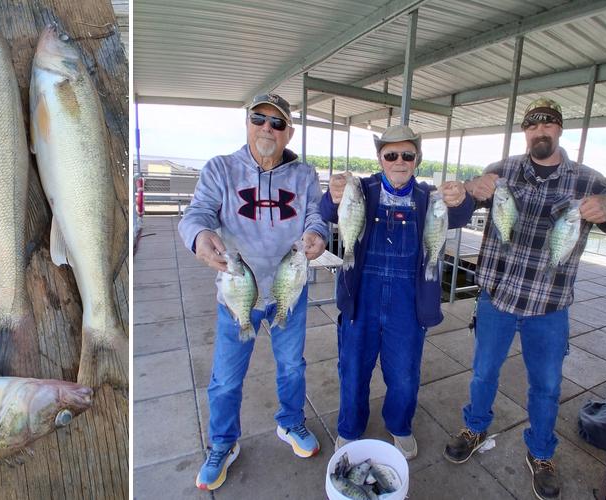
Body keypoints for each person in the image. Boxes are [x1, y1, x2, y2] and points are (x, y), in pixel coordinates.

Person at [439, 98, 606, 500]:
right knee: (483, 372)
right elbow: (459, 211)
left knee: (548, 386)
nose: (540, 132)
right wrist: (465, 189)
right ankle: (475, 426)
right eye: (532, 126)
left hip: (549, 307)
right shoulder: (501, 172)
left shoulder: (588, 181)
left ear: (559, 130)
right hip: (496, 298)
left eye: (548, 125)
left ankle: (540, 452)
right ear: (525, 132)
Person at [179, 94, 329, 490]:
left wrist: (318, 232)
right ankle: (224, 444)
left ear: (289, 133)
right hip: (238, 292)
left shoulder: (304, 175)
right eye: (259, 118)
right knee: (226, 378)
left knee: (292, 366)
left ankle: (291, 422)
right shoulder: (220, 169)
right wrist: (200, 236)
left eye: (277, 123)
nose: (267, 128)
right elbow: (197, 214)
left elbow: (317, 213)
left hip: (287, 291)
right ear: (247, 123)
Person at [320, 125, 473, 459]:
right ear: (380, 158)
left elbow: (460, 214)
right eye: (391, 155)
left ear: (417, 159)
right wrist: (333, 193)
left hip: (407, 301)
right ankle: (349, 428)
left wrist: (463, 198)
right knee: (353, 369)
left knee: (404, 375)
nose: (399, 161)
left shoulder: (428, 196)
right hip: (362, 297)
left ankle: (400, 425)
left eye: (407, 154)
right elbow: (329, 211)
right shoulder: (361, 189)